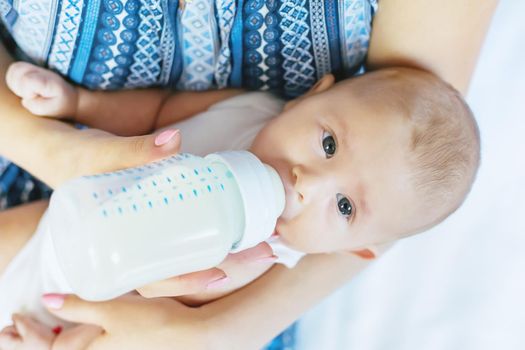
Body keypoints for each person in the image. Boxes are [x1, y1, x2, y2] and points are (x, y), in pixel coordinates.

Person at [0, 0, 498, 349]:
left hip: (121, 307)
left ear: (358, 248)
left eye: (344, 207)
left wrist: (226, 266)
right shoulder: (250, 109)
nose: (310, 183)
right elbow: (158, 112)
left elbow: (182, 305)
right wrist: (78, 104)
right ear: (313, 94)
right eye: (327, 144)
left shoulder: (271, 249)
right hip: (65, 221)